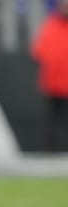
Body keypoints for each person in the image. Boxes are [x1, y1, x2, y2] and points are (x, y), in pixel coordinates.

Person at [31, 0, 68, 152]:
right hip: (53, 83)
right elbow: (39, 51)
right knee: (52, 121)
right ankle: (51, 152)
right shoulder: (50, 25)